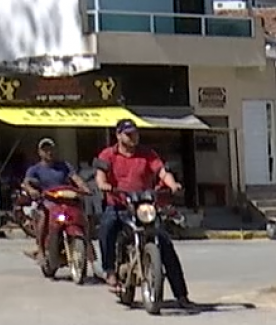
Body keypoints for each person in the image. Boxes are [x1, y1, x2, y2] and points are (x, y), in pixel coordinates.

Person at [94, 119, 196, 311]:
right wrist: (104, 184)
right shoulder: (108, 154)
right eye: (129, 134)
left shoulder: (147, 154)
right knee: (107, 227)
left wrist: (172, 184)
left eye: (135, 133)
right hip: (119, 206)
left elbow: (162, 172)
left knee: (165, 244)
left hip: (144, 206)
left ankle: (181, 295)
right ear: (119, 135)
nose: (133, 137)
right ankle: (110, 271)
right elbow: (100, 175)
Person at [22, 138, 93, 273]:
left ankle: (87, 246)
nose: (49, 152)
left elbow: (76, 178)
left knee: (82, 216)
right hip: (47, 201)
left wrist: (85, 188)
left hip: (66, 200)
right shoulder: (35, 169)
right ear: (39, 152)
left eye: (50, 149)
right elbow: (27, 182)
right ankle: (42, 250)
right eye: (45, 149)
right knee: (43, 216)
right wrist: (32, 190)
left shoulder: (64, 166)